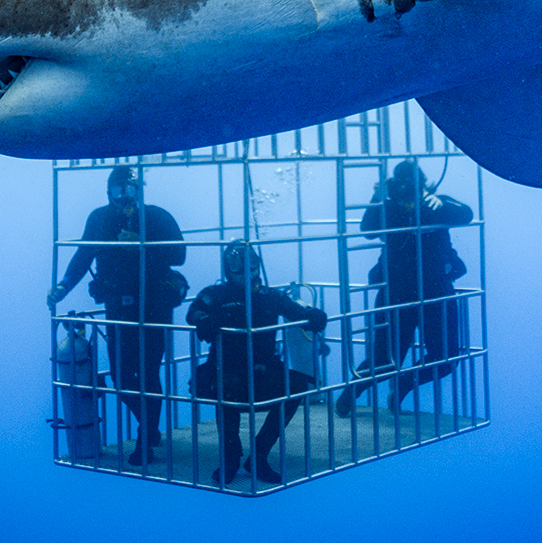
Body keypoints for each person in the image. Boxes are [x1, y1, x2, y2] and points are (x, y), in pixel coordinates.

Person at [48, 166, 186, 465]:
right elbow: (83, 255)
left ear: (141, 190)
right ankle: (149, 427)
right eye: (118, 190)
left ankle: (145, 439)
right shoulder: (99, 218)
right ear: (108, 192)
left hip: (154, 305)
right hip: (117, 308)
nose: (124, 197)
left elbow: (180, 255)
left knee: (148, 372)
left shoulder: (157, 216)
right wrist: (63, 286)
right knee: (121, 378)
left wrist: (142, 243)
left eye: (131, 190)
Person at [335, 160, 472, 417]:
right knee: (386, 360)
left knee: (447, 358)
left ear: (423, 186)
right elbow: (367, 230)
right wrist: (377, 197)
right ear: (393, 188)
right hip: (396, 293)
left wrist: (440, 204)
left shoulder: (436, 205)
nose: (408, 196)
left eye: (413, 188)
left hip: (436, 293)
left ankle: (405, 383)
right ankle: (352, 390)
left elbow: (466, 213)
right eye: (402, 189)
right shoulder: (388, 208)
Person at [187, 239, 327, 486]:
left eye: (252, 266)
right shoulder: (216, 294)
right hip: (224, 369)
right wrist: (203, 318)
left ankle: (259, 456)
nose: (246, 273)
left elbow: (295, 311)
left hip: (263, 370)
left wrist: (312, 315)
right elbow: (194, 310)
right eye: (237, 267)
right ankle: (230, 458)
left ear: (258, 266)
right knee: (226, 390)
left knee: (297, 386)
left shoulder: (270, 296)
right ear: (227, 269)